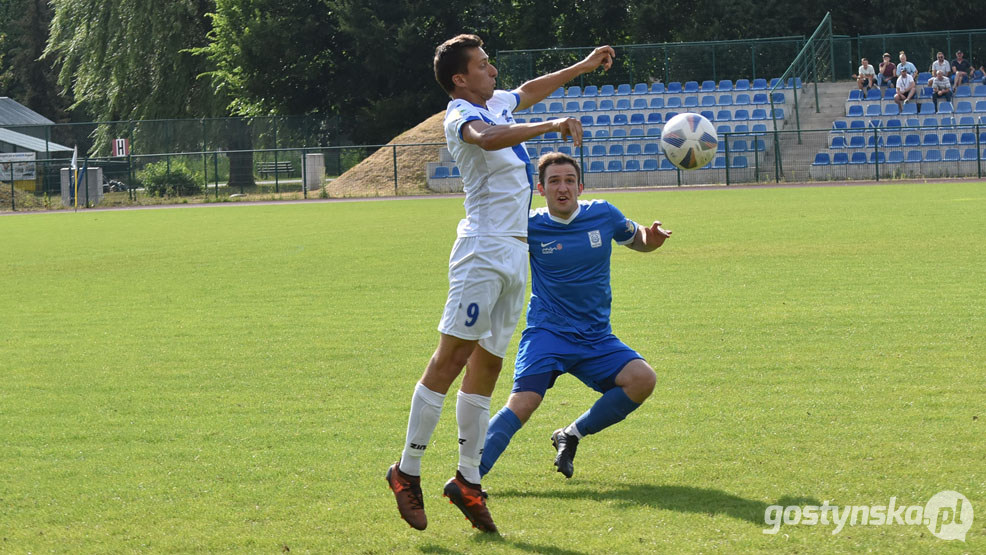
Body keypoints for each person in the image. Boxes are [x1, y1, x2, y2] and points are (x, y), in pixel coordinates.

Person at [385, 34, 615, 534]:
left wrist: (584, 63)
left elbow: (530, 89)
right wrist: (551, 125)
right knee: (450, 360)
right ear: (460, 80)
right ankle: (406, 470)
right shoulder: (460, 116)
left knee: (488, 365)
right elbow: (487, 139)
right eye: (483, 66)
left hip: (514, 255)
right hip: (482, 252)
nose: (493, 72)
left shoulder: (498, 104)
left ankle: (468, 480)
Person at [478, 152, 670, 483]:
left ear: (580, 186)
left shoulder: (603, 214)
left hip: (596, 337)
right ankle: (469, 475)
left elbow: (637, 237)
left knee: (642, 380)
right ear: (540, 189)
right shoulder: (530, 226)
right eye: (554, 181)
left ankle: (571, 434)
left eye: (569, 180)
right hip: (547, 333)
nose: (562, 188)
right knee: (523, 403)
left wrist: (650, 240)